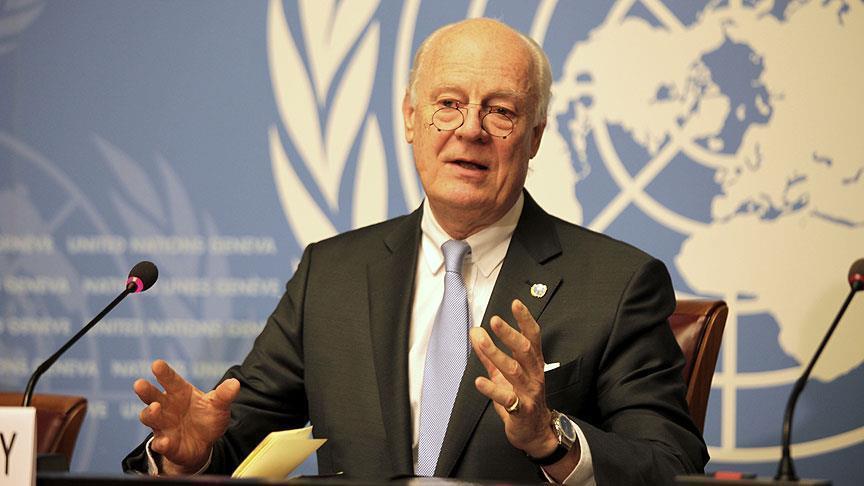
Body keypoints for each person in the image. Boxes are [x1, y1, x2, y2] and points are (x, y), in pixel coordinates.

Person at [123, 18, 708, 484]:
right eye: (448, 103)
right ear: (409, 118)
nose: (470, 129)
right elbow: (233, 440)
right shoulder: (332, 274)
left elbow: (671, 465)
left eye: (501, 112)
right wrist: (187, 456)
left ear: (534, 138)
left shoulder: (617, 284)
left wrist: (551, 438)